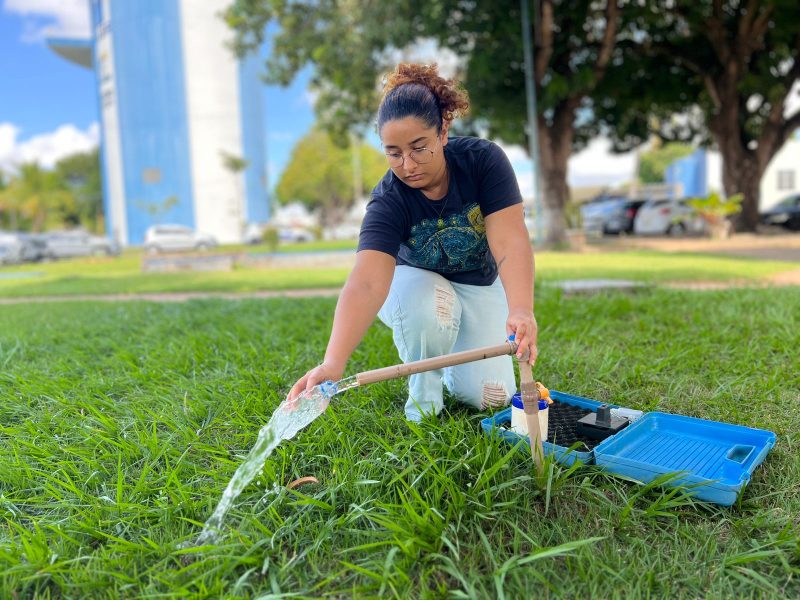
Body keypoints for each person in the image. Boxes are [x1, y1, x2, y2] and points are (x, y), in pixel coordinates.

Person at [287, 63, 537, 421]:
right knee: (431, 307)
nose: (407, 165)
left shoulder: (483, 161)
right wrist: (333, 362)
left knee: (489, 398)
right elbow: (368, 282)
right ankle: (424, 402)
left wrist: (521, 309)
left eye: (419, 147)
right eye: (394, 153)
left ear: (443, 132)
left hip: (479, 284)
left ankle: (453, 363)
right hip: (415, 288)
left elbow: (510, 241)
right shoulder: (388, 200)